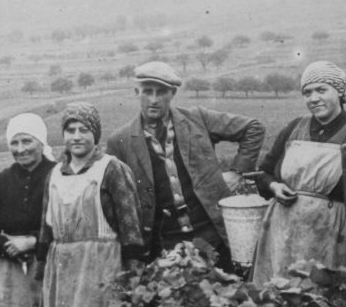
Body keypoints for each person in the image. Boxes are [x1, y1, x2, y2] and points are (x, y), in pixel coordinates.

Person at [106, 61, 265, 269]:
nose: (153, 100)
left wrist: (237, 172)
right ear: (137, 91)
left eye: (161, 92)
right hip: (163, 246)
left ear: (172, 93)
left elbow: (253, 128)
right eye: (147, 92)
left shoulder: (197, 119)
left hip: (212, 236)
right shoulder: (120, 140)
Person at [39, 103, 145, 307]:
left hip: (99, 267)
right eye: (70, 130)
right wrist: (41, 271)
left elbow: (130, 225)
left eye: (83, 130)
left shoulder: (111, 169)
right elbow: (45, 227)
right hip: (61, 270)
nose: (76, 136)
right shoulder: (55, 175)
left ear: (95, 134)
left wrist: (133, 275)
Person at [250, 62, 346, 284]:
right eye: (307, 92)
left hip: (330, 232)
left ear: (340, 91)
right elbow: (264, 172)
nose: (313, 98)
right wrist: (274, 186)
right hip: (283, 230)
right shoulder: (295, 127)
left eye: (321, 90)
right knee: (278, 293)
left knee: (322, 295)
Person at [0, 113, 57, 307]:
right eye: (14, 143)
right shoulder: (0, 182)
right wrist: (9, 246)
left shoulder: (57, 175)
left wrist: (31, 242)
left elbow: (65, 226)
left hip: (48, 266)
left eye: (27, 141)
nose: (20, 149)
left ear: (41, 141)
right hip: (11, 272)